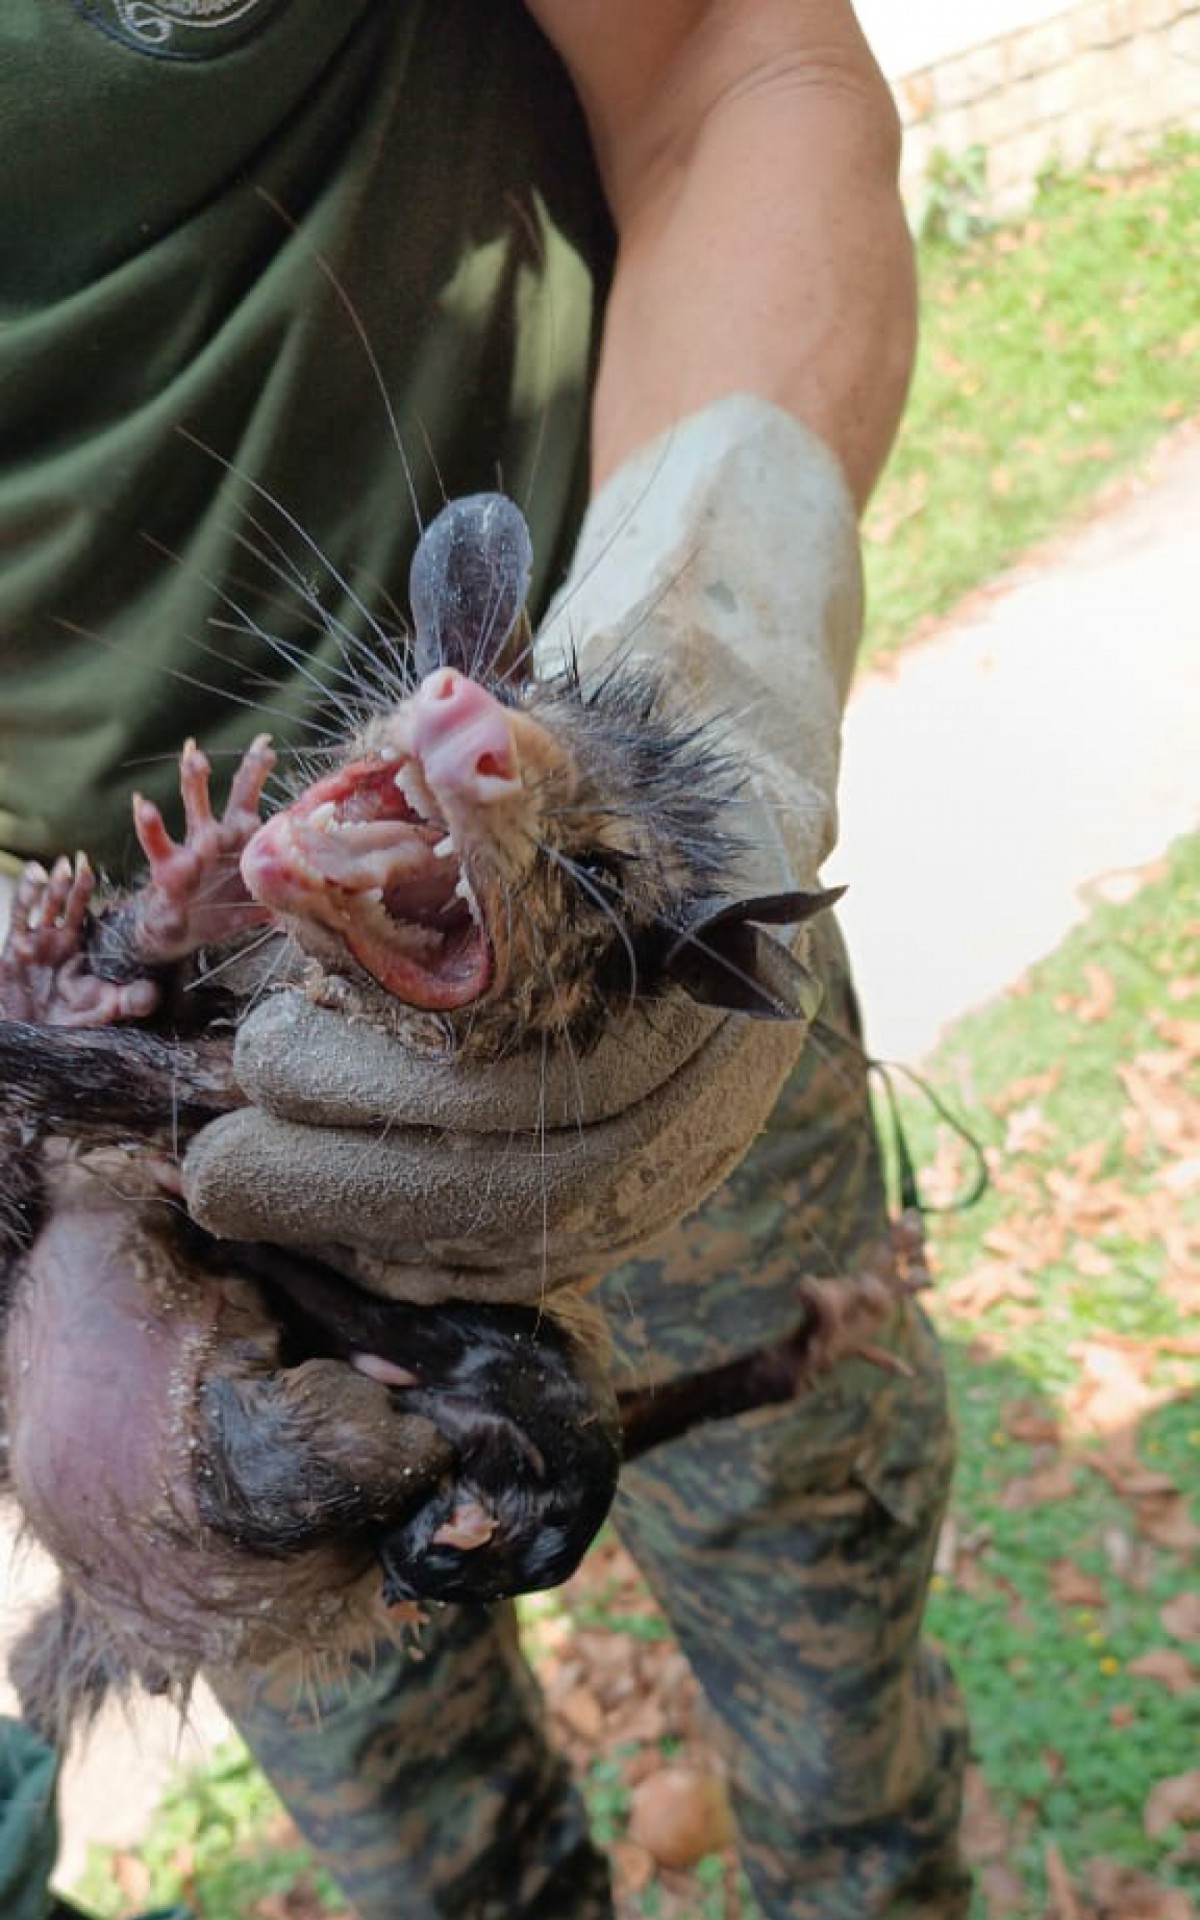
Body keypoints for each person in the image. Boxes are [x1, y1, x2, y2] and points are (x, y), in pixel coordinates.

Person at [0, 3, 969, 1915]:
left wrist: (720, 649)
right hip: (118, 1113)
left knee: (818, 1620)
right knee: (393, 1782)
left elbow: (729, 63)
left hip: (645, 1005)